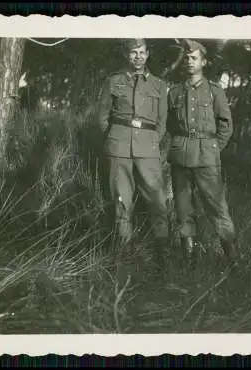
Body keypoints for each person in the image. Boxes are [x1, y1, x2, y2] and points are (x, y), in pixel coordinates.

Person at [98, 38, 170, 271]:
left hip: (148, 149)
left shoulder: (159, 85)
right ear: (126, 55)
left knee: (157, 200)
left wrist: (151, 142)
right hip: (118, 147)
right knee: (121, 201)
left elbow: (162, 122)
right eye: (133, 53)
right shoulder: (114, 81)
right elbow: (102, 117)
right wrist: (113, 139)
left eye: (141, 52)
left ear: (148, 54)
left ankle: (163, 258)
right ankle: (123, 257)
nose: (137, 57)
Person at [166, 39, 238, 269]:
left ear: (204, 62)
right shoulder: (175, 91)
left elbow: (226, 125)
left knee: (218, 209)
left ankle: (234, 262)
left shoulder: (215, 91)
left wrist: (214, 148)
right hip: (180, 158)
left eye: (194, 58)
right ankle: (190, 266)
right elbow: (169, 125)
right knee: (183, 210)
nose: (189, 62)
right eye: (186, 58)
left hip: (207, 158)